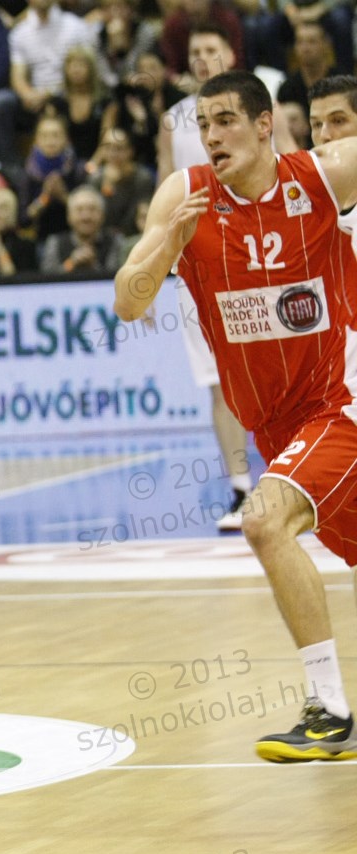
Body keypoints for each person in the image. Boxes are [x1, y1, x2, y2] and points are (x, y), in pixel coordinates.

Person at [114, 70, 357, 763]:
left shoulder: (321, 176)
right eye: (203, 123)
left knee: (263, 521)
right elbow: (127, 303)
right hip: (276, 426)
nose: (211, 135)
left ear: (263, 123)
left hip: (340, 402)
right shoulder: (185, 195)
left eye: (225, 120)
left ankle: (329, 710)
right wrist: (169, 244)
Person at [157, 23, 257, 531]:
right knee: (220, 383)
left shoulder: (258, 105)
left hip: (258, 254)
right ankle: (242, 489)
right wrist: (154, 267)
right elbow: (163, 194)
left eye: (210, 49)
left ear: (230, 53)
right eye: (194, 50)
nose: (201, 57)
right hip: (198, 265)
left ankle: (304, 478)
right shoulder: (174, 120)